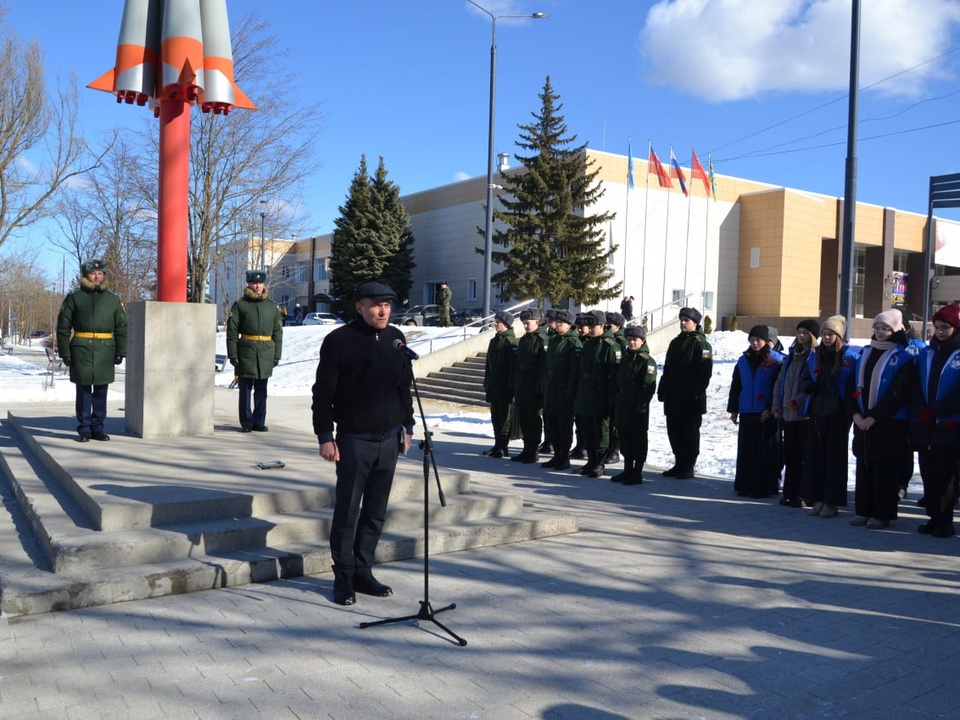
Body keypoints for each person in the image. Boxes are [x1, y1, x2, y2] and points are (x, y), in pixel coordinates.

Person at [311, 281, 415, 606]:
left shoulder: (396, 339)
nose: (382, 310)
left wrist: (407, 426)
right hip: (354, 440)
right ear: (359, 306)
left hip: (389, 440)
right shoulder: (339, 341)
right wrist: (325, 435)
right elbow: (323, 393)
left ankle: (363, 570)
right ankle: (343, 575)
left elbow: (404, 389)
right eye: (375, 304)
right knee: (348, 511)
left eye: (387, 304)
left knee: (375, 512)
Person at [847, 309, 916, 530]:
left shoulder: (903, 357)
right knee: (864, 465)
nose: (880, 332)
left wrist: (874, 417)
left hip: (888, 422)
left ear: (896, 330)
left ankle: (882, 514)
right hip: (863, 420)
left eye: (885, 328)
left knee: (884, 469)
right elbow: (851, 387)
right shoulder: (864, 353)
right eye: (877, 327)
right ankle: (863, 510)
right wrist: (857, 414)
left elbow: (899, 393)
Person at [56, 258, 128, 442]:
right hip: (81, 349)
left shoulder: (113, 299)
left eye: (100, 273)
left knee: (101, 392)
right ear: (86, 275)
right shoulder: (74, 297)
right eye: (93, 273)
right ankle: (84, 429)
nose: (97, 276)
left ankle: (98, 428)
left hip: (105, 350)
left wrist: (121, 350)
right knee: (84, 392)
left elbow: (121, 326)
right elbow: (63, 327)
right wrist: (65, 352)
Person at [800, 314, 857, 518]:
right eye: (824, 333)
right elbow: (805, 377)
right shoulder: (816, 355)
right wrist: (809, 388)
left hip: (838, 413)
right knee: (817, 456)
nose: (826, 337)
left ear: (839, 336)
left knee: (834, 459)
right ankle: (818, 497)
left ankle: (832, 501)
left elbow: (852, 384)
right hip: (818, 410)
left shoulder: (849, 357)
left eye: (830, 334)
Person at [911, 303, 960, 538]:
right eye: (937, 327)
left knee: (946, 474)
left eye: (946, 327)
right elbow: (916, 384)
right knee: (928, 472)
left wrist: (937, 411)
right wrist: (922, 411)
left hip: (949, 423)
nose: (940, 331)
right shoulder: (927, 353)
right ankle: (933, 517)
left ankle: (945, 521)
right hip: (926, 423)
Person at [728, 325, 784, 498]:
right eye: (752, 340)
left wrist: (770, 407)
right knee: (746, 450)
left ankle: (763, 487)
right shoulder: (743, 360)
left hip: (765, 412)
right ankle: (745, 485)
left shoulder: (776, 360)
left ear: (766, 341)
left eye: (758, 340)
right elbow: (736, 385)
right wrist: (734, 409)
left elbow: (778, 386)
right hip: (747, 410)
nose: (754, 343)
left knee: (764, 451)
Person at [657, 307, 713, 479]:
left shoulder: (701, 344)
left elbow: (704, 372)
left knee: (689, 432)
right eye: (681, 320)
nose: (682, 323)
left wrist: (696, 393)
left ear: (695, 323)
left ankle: (689, 464)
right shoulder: (676, 342)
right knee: (674, 430)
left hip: (690, 397)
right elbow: (668, 368)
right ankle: (679, 462)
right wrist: (662, 389)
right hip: (674, 395)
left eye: (686, 320)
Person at [226, 270, 283, 432]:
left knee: (261, 390)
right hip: (246, 352)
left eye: (260, 283)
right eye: (254, 283)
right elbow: (232, 332)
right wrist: (233, 354)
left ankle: (259, 421)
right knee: (245, 390)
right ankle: (246, 422)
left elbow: (278, 332)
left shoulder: (271, 307)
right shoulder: (241, 305)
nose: (257, 286)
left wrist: (277, 354)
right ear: (248, 284)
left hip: (265, 352)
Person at [772, 319, 819, 507]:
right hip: (788, 414)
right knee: (791, 455)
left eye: (805, 332)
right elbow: (779, 383)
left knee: (806, 456)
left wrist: (798, 401)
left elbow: (813, 384)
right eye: (799, 332)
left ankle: (805, 494)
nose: (801, 336)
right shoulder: (791, 356)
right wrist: (777, 405)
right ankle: (790, 492)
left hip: (805, 414)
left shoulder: (815, 356)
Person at [572, 309, 620, 478]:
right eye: (588, 326)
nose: (589, 329)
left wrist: (610, 399)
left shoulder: (610, 346)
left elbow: (614, 376)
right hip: (586, 393)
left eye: (593, 326)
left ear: (602, 325)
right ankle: (591, 461)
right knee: (587, 429)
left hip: (600, 394)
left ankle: (599, 463)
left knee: (601, 430)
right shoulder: (589, 343)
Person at [612, 325, 657, 485]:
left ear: (642, 341)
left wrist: (641, 406)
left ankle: (637, 472)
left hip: (637, 405)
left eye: (634, 340)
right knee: (624, 437)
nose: (631, 343)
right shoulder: (625, 357)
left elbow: (649, 386)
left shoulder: (646, 361)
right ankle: (627, 469)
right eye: (629, 340)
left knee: (637, 438)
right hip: (623, 403)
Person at [541, 309, 581, 471]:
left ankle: (564, 457)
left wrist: (569, 392)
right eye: (557, 322)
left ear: (569, 325)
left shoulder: (573, 343)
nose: (557, 325)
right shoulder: (554, 339)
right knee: (551, 423)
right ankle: (556, 455)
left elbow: (574, 371)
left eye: (561, 323)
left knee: (563, 425)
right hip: (551, 387)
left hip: (564, 388)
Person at [512, 308, 549, 463]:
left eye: (528, 323)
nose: (525, 326)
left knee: (533, 418)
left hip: (534, 383)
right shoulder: (525, 339)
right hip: (523, 382)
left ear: (537, 322)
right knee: (524, 418)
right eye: (524, 323)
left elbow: (543, 366)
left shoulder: (542, 339)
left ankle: (533, 450)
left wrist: (539, 387)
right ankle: (526, 448)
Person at [482, 311, 518, 458]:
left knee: (504, 417)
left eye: (498, 321)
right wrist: (487, 381)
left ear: (506, 324)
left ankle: (503, 446)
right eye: (495, 321)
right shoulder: (495, 340)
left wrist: (511, 387)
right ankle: (497, 444)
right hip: (494, 383)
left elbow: (513, 368)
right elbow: (488, 365)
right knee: (495, 416)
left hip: (504, 385)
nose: (495, 323)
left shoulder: (510, 342)